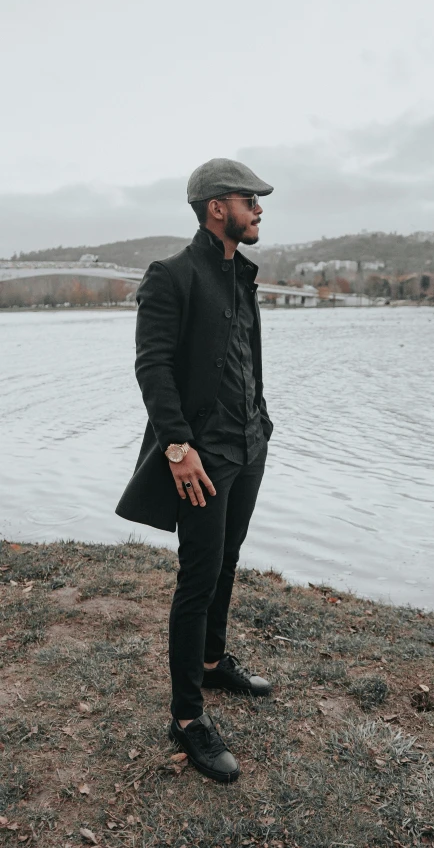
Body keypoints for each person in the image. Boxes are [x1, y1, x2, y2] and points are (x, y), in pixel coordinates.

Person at [115, 158, 275, 783]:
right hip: (202, 458)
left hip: (249, 445)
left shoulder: (242, 274)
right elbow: (152, 367)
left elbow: (242, 358)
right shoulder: (172, 276)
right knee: (198, 576)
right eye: (249, 199)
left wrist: (260, 420)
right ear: (216, 207)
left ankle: (212, 662)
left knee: (228, 560)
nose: (259, 209)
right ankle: (187, 718)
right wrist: (178, 447)